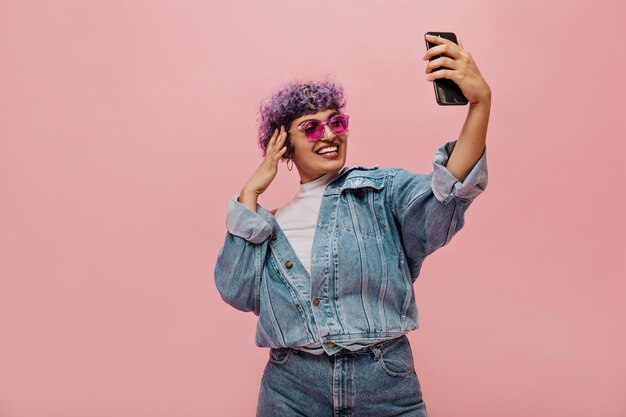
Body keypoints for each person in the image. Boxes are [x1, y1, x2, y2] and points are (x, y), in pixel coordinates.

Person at [214, 34, 491, 417]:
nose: (328, 134)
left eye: (336, 123)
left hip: (385, 383)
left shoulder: (381, 193)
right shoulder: (266, 227)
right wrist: (250, 196)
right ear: (284, 145)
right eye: (310, 128)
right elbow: (236, 290)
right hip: (292, 388)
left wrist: (479, 103)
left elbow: (449, 190)